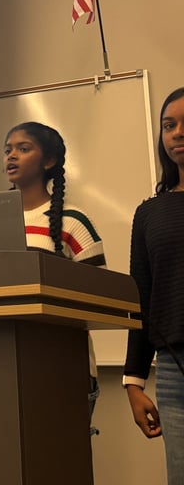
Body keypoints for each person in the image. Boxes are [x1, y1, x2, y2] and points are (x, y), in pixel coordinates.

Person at [4, 121, 106, 432]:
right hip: (4, 363)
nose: (11, 156)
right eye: (8, 150)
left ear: (49, 161)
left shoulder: (72, 221)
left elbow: (100, 295)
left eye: (23, 148)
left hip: (63, 366)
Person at [123, 87, 184, 483]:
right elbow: (141, 299)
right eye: (168, 125)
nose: (177, 132)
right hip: (174, 370)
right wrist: (133, 381)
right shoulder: (150, 213)